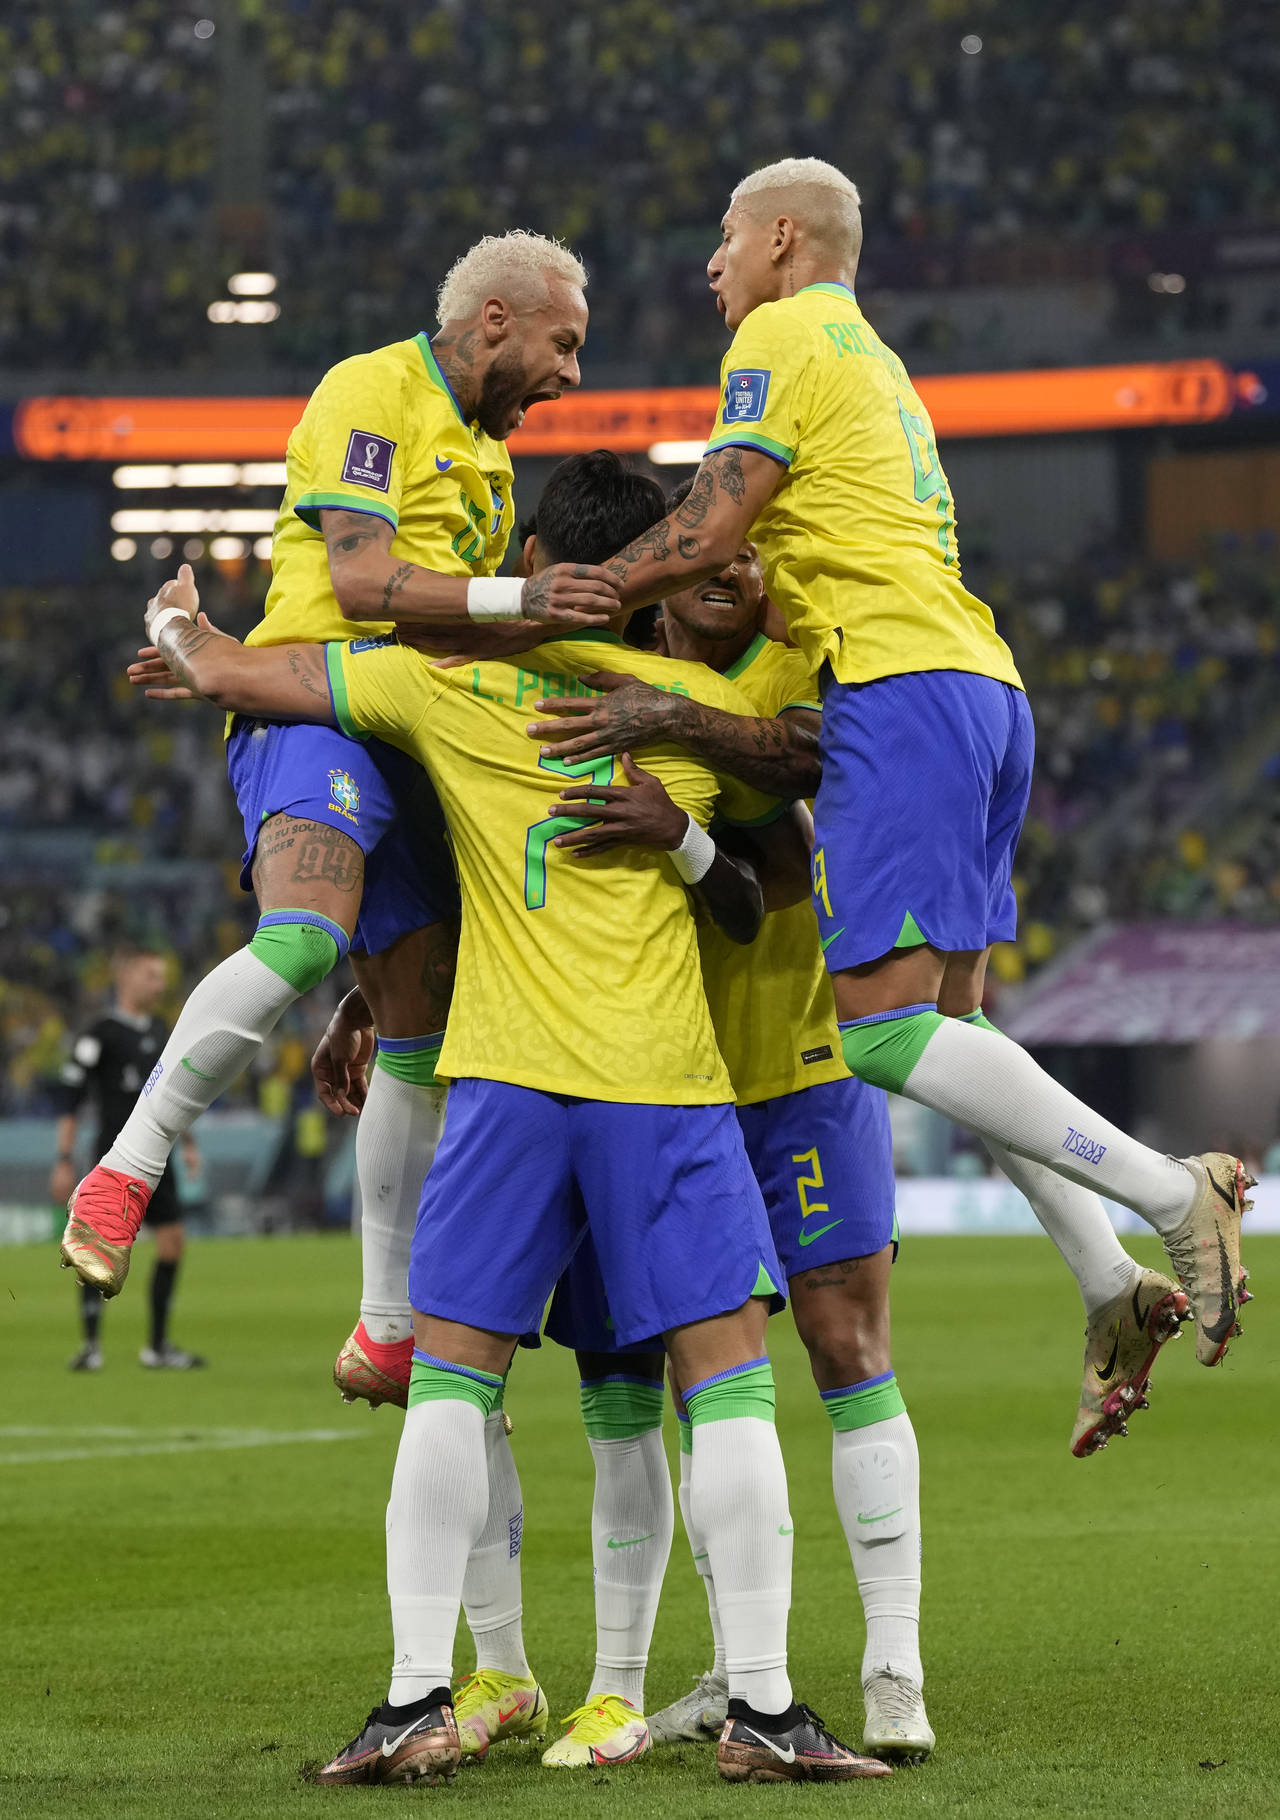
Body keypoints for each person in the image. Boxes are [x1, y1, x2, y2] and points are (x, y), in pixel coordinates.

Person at [137, 447, 890, 1786]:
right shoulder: (691, 702)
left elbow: (249, 674)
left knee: (450, 1384)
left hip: (498, 1081)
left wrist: (180, 625)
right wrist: (693, 799)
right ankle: (766, 1709)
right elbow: (795, 825)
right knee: (724, 1390)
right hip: (660, 1082)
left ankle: (415, 1693)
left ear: (536, 574)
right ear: (639, 583)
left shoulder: (444, 685)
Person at [577, 154, 1252, 1413]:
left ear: (780, 237)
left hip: (898, 692)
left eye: (722, 239)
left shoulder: (778, 332)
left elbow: (710, 526)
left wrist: (577, 595)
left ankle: (1173, 1192)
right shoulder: (874, 361)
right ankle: (1104, 1279)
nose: (710, 266)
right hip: (980, 687)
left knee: (880, 1032)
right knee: (953, 1030)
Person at [61, 233, 620, 1425]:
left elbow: (454, 626)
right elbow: (364, 585)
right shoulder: (371, 392)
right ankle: (124, 1169)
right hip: (317, 702)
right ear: (491, 324)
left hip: (416, 729)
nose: (571, 373)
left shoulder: (481, 455)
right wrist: (519, 598)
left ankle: (385, 1324)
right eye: (561, 343)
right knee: (307, 940)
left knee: (416, 1034)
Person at [537, 505, 929, 1762]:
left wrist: (679, 774)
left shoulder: (781, 676)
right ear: (660, 586)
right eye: (709, 558)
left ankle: (890, 1663)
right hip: (673, 1084)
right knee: (707, 1371)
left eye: (748, 558)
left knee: (840, 1337)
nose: (735, 575)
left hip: (801, 1059)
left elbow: (780, 861)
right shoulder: (612, 692)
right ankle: (733, 1665)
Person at [51, 947, 205, 1371]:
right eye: (152, 976)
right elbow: (71, 1099)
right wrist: (63, 1157)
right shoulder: (99, 1033)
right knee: (95, 1245)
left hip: (161, 1156)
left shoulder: (161, 1029)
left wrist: (188, 1144)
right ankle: (90, 1346)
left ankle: (157, 1346)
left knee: (172, 1243)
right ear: (129, 978)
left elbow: (176, 1093)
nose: (160, 984)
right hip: (113, 1155)